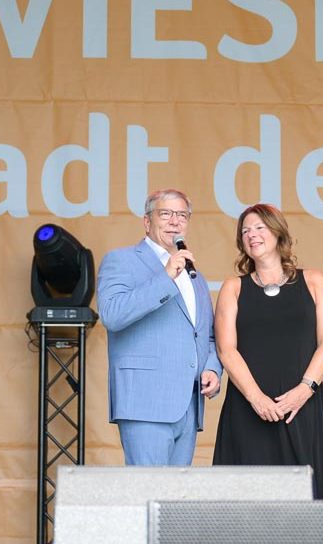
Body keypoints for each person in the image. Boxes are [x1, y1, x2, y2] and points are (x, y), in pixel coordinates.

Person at [212, 203, 323, 499]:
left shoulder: (314, 280)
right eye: (245, 231)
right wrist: (257, 399)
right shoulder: (233, 288)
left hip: (301, 408)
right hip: (248, 409)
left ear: (278, 232)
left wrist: (305, 390)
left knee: (304, 499)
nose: (251, 235)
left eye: (259, 228)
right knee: (246, 500)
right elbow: (226, 349)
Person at [96, 188, 222, 466]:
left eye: (182, 215)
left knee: (174, 502)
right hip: (144, 401)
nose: (174, 222)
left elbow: (207, 334)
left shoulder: (195, 275)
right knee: (148, 495)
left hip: (188, 404)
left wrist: (213, 367)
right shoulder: (122, 260)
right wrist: (166, 277)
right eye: (165, 214)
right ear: (147, 221)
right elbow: (112, 315)